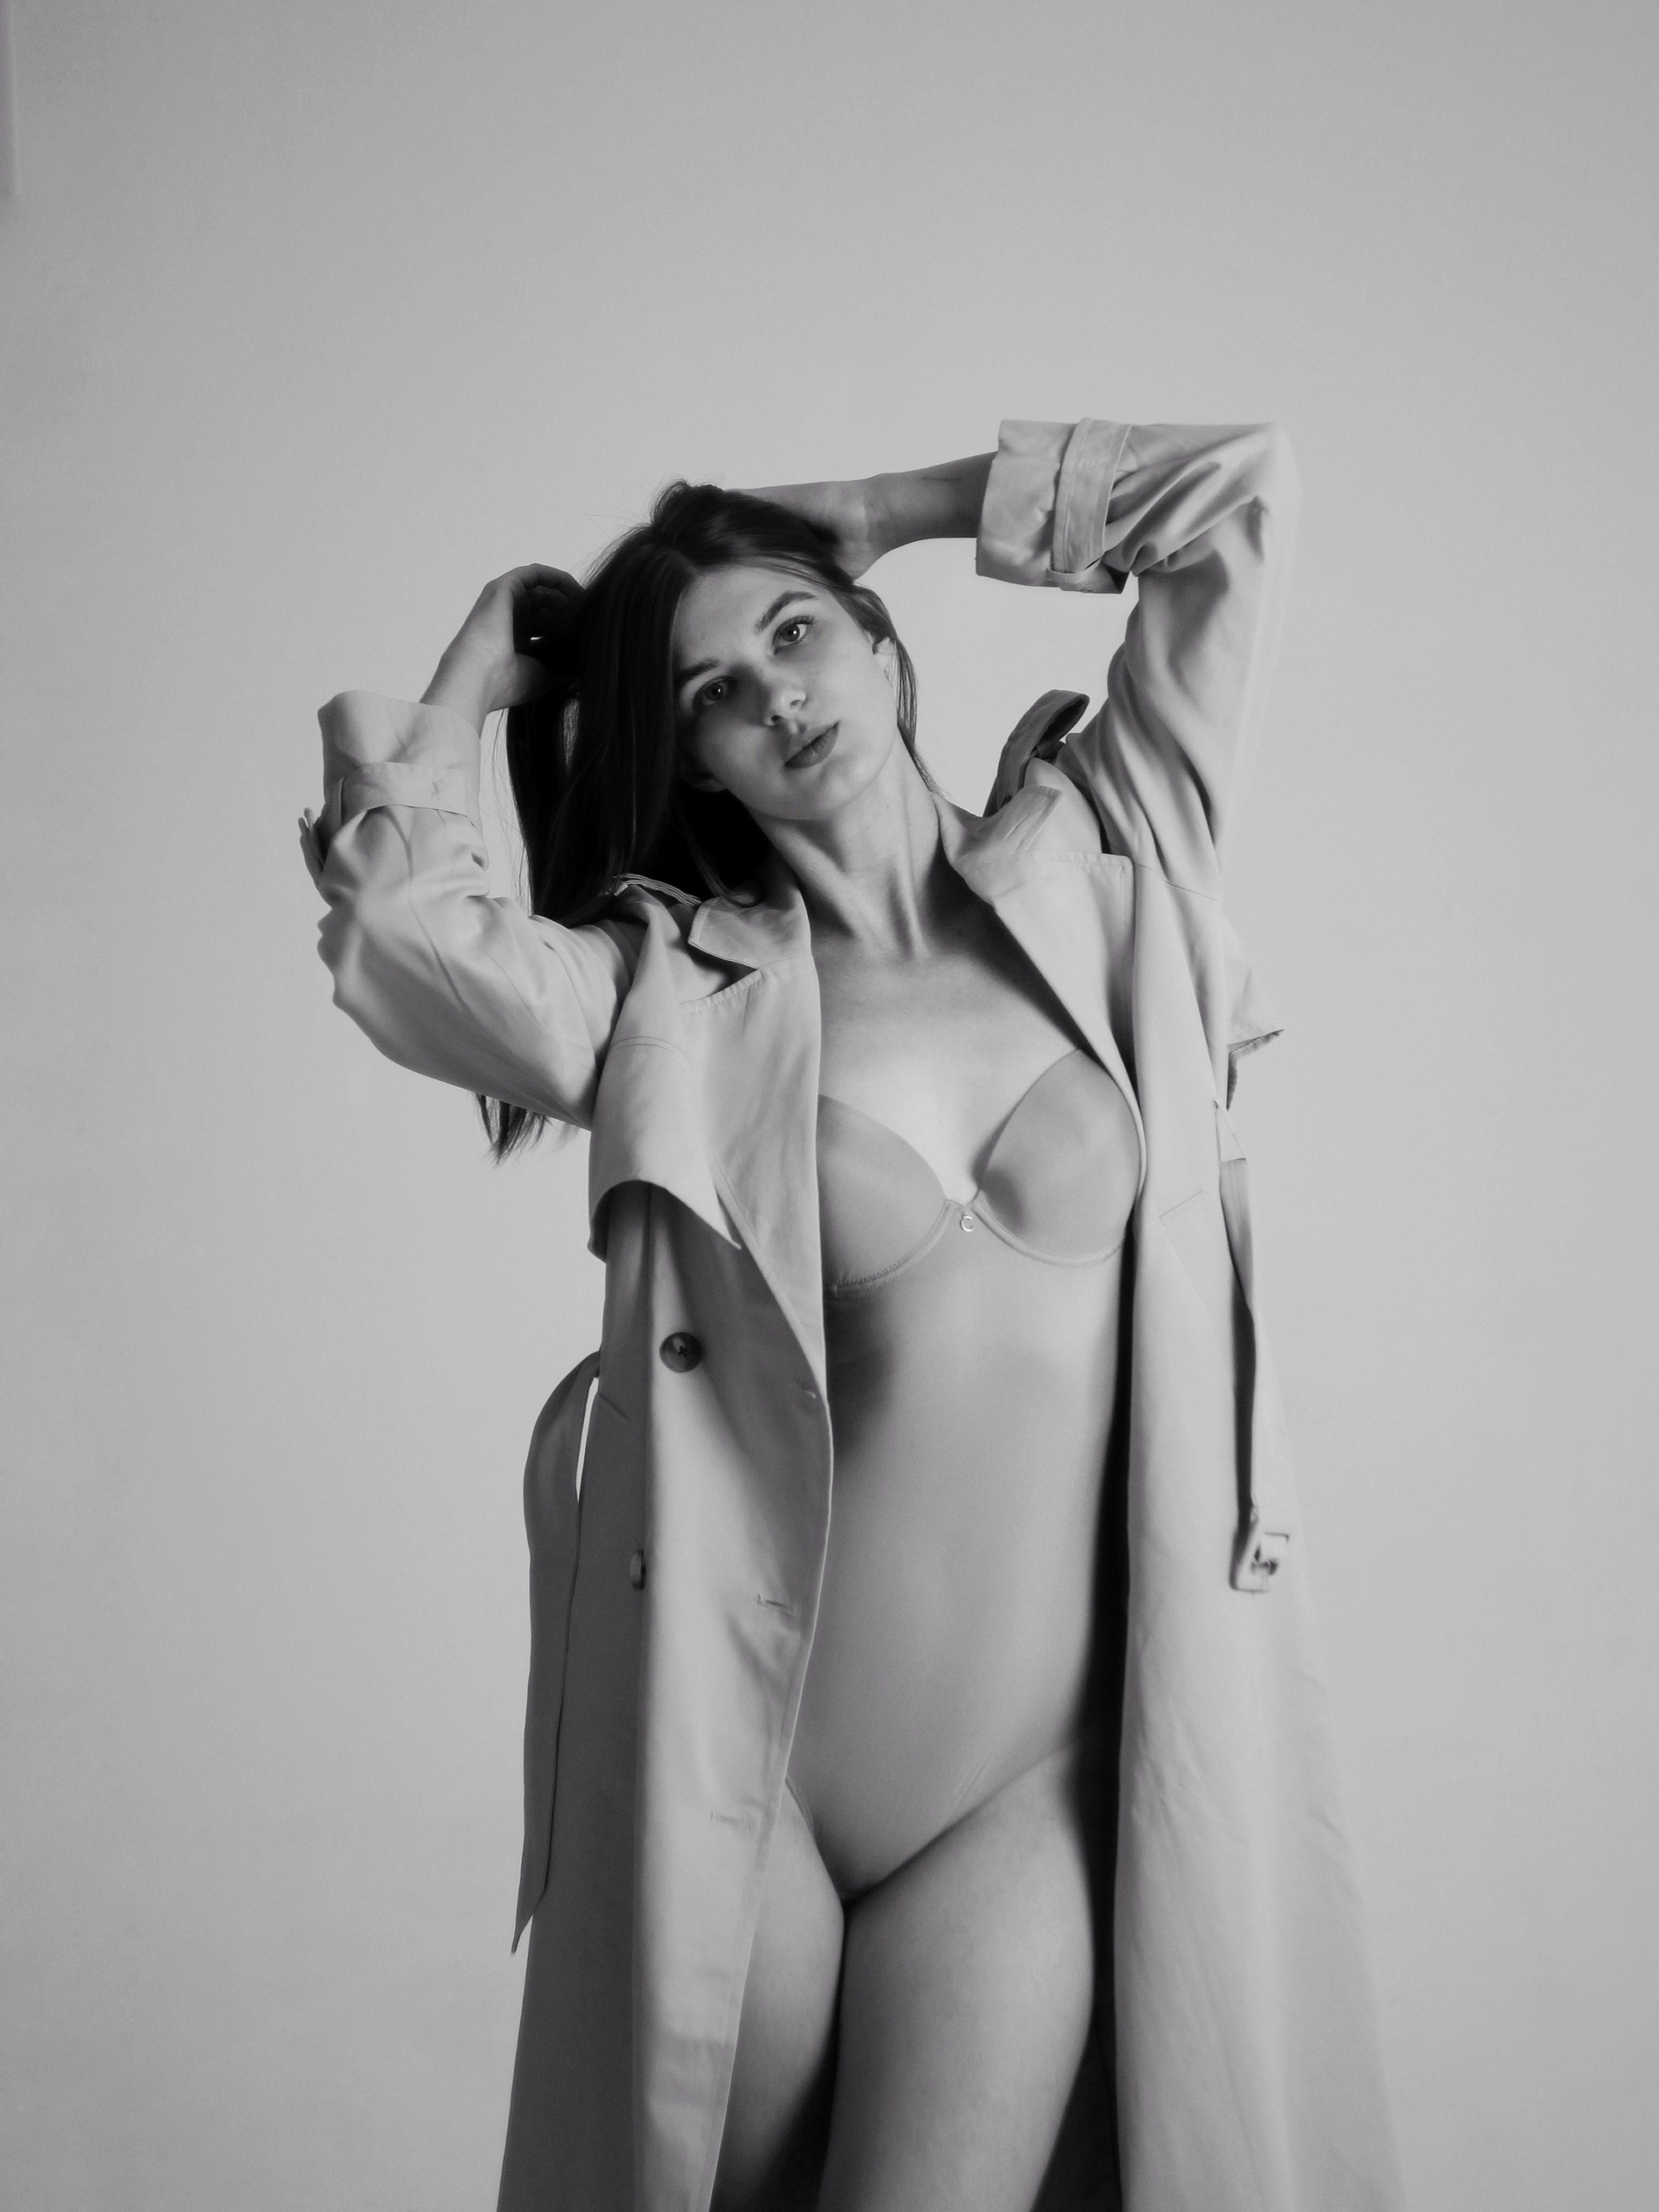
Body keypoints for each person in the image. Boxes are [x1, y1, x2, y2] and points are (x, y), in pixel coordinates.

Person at [301, 416, 1402, 2212]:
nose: (779, 698)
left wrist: (893, 507)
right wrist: (469, 684)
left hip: (1026, 1793)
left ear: (882, 643)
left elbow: (1238, 497)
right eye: (717, 694)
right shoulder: (672, 1000)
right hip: (754, 1776)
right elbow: (396, 949)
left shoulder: (1117, 859)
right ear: (696, 760)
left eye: (799, 632)